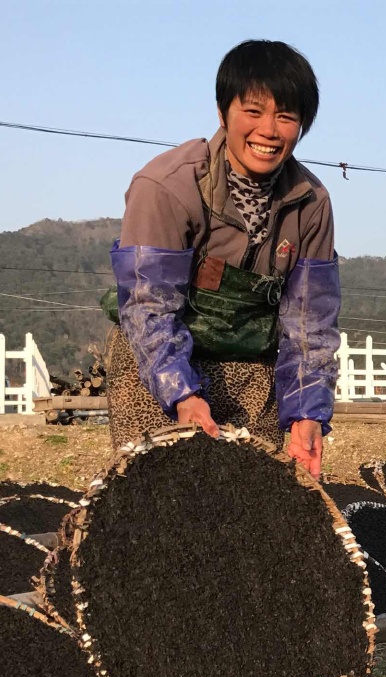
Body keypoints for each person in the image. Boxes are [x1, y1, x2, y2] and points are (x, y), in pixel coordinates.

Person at [104, 39, 338, 477]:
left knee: (255, 506)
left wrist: (307, 414)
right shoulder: (167, 186)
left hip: (253, 370)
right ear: (222, 112)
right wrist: (182, 394)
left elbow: (311, 324)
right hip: (158, 367)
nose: (269, 130)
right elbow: (149, 306)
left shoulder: (311, 202)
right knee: (163, 503)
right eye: (253, 111)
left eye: (286, 116)